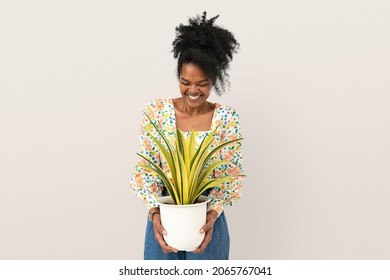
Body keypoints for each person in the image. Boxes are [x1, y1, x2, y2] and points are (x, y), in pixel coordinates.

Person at [130, 11, 243, 260]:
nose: (192, 90)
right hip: (163, 221)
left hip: (207, 223)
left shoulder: (226, 119)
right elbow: (146, 169)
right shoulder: (156, 112)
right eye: (185, 82)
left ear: (214, 79)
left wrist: (212, 216)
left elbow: (230, 177)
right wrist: (154, 214)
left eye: (202, 83)